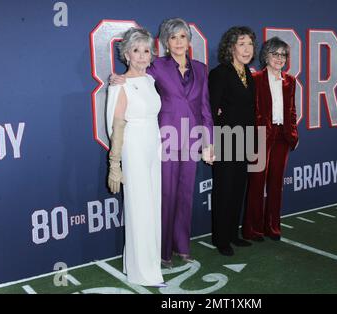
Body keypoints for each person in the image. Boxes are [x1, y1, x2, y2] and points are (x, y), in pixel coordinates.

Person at [110, 18, 214, 268]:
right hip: (163, 140)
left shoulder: (200, 68)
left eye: (183, 37)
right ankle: (163, 250)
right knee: (165, 195)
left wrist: (209, 143)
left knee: (186, 195)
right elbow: (136, 77)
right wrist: (117, 80)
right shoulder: (157, 66)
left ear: (189, 41)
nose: (179, 42)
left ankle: (182, 245)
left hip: (191, 140)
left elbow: (205, 107)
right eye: (173, 37)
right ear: (166, 42)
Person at [106, 27, 165, 287]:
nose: (142, 56)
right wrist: (114, 164)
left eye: (146, 51)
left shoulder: (150, 81)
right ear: (126, 54)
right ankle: (142, 272)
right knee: (139, 208)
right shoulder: (121, 84)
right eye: (136, 51)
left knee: (152, 207)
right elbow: (117, 124)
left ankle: (149, 264)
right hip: (133, 146)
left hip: (153, 145)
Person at [242, 37, 299, 242]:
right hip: (260, 136)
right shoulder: (255, 79)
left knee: (276, 184)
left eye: (283, 55)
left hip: (282, 137)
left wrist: (294, 133)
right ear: (266, 56)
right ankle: (253, 229)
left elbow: (292, 111)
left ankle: (273, 226)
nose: (279, 58)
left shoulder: (290, 81)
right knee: (257, 183)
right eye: (275, 54)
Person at [208, 26, 257, 256]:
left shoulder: (249, 74)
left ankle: (233, 234)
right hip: (226, 139)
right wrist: (214, 143)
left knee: (239, 188)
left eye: (249, 44)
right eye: (241, 44)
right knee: (224, 190)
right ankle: (220, 238)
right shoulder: (220, 73)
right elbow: (210, 110)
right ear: (231, 48)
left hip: (246, 139)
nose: (247, 49)